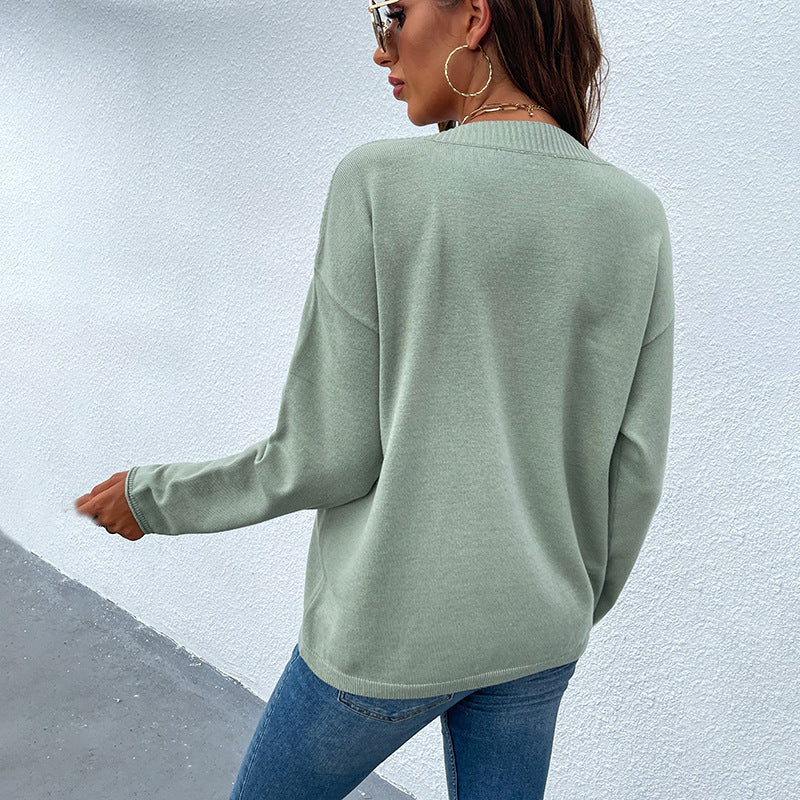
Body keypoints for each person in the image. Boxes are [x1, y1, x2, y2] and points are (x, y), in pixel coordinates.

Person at [74, 0, 674, 797]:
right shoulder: (635, 217)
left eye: (394, 13)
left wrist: (154, 498)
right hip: (541, 631)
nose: (382, 49)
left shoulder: (380, 182)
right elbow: (635, 469)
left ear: (474, 19)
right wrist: (564, 603)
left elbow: (325, 455)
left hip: (391, 632)